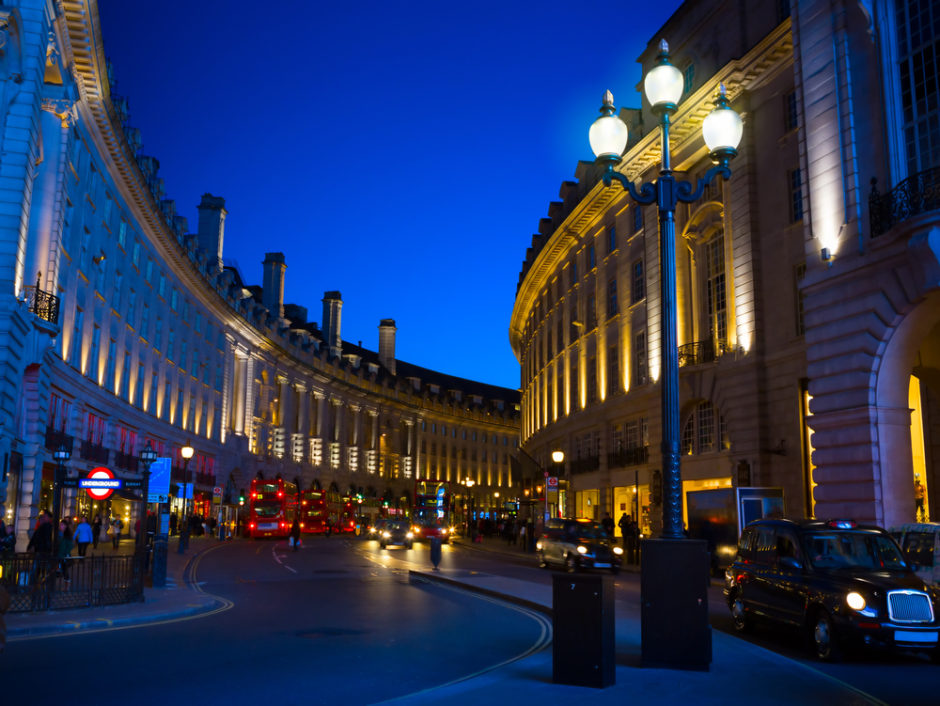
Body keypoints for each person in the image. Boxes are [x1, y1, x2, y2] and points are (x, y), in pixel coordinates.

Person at [57, 519, 74, 583]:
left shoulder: (67, 535)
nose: (60, 526)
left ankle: (67, 584)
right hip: (59, 554)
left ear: (65, 526)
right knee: (61, 569)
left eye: (62, 525)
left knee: (64, 570)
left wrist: (66, 552)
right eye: (60, 525)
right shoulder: (58, 533)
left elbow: (70, 546)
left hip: (63, 555)